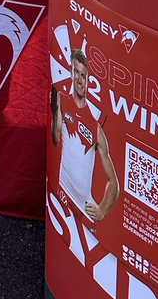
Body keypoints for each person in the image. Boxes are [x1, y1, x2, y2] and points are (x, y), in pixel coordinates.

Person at [50, 49, 120, 223]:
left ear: (89, 80)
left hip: (84, 210)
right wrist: (56, 115)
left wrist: (102, 211)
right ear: (71, 73)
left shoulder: (96, 128)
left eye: (84, 75)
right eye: (76, 73)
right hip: (61, 194)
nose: (80, 80)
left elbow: (114, 182)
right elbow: (55, 140)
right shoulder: (62, 100)